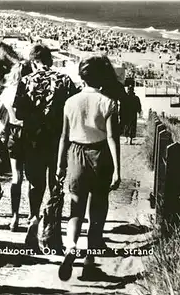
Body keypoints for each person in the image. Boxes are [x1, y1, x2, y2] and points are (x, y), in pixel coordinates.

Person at [56, 55, 121, 281]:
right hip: (101, 155)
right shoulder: (109, 103)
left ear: (82, 77)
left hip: (75, 154)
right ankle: (89, 261)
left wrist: (60, 165)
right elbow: (113, 138)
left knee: (75, 210)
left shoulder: (70, 102)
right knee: (97, 213)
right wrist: (118, 170)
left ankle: (71, 247)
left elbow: (64, 137)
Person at [14, 44, 79, 226]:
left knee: (35, 181)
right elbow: (73, 108)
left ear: (33, 62)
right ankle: (53, 218)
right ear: (50, 60)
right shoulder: (64, 80)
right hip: (57, 140)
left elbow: (18, 113)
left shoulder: (26, 81)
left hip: (33, 139)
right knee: (55, 181)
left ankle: (33, 216)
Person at [0, 61, 32, 231]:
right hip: (31, 136)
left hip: (14, 136)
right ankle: (32, 215)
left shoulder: (8, 91)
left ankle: (15, 217)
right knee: (32, 178)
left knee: (16, 177)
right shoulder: (34, 90)